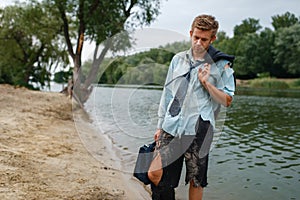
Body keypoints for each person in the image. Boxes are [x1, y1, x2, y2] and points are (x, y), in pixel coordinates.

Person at [148, 14, 235, 200]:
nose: (198, 42)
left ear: (212, 39)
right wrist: (159, 124)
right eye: (196, 37)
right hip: (171, 125)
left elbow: (227, 100)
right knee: (154, 173)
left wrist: (207, 84)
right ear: (190, 33)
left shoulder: (221, 65)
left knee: (196, 180)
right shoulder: (177, 60)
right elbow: (168, 94)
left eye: (204, 39)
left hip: (199, 129)